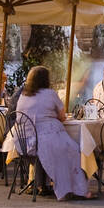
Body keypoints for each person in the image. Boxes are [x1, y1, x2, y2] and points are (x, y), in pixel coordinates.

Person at [15, 66, 94, 200]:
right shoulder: (50, 93)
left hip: (24, 141)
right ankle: (77, 189)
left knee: (65, 149)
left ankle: (46, 184)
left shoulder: (23, 95)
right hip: (45, 139)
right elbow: (62, 117)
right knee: (73, 150)